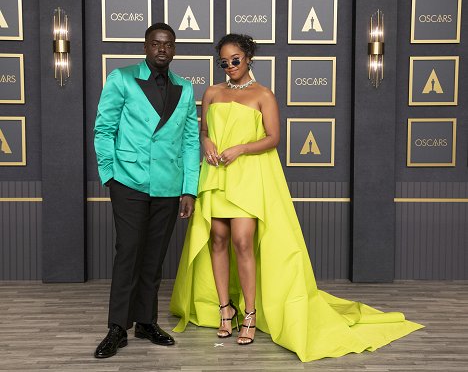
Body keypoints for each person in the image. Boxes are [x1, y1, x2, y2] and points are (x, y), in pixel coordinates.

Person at [170, 33, 423, 361]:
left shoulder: (263, 94)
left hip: (247, 175)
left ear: (248, 58)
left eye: (236, 59)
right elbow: (203, 131)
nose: (230, 66)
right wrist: (206, 142)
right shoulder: (212, 92)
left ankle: (250, 313)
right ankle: (225, 310)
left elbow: (274, 138)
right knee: (217, 238)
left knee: (243, 241)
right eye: (224, 61)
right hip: (217, 175)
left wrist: (241, 148)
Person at [93, 23, 199, 359]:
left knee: (154, 256)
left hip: (168, 184)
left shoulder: (185, 87)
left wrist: (189, 189)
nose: (162, 50)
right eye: (156, 44)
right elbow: (104, 128)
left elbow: (190, 140)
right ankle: (117, 327)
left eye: (168, 45)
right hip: (129, 180)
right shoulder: (121, 78)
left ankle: (146, 322)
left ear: (174, 49)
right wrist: (110, 174)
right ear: (145, 47)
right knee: (129, 251)